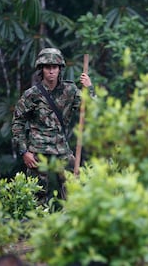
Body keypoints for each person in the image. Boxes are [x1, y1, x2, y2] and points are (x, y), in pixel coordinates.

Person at [12, 48, 94, 203]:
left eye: (54, 67)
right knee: (35, 197)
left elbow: (92, 109)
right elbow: (18, 122)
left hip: (61, 148)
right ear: (41, 69)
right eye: (47, 67)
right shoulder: (32, 94)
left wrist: (89, 88)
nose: (51, 71)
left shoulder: (70, 90)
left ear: (59, 69)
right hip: (37, 152)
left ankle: (70, 224)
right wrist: (24, 152)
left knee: (74, 191)